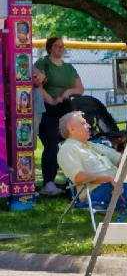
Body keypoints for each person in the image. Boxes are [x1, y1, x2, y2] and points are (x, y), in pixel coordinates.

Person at [56, 111, 127, 209]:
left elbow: (122, 160)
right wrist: (108, 178)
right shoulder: (67, 149)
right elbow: (78, 177)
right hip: (98, 191)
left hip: (117, 185)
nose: (89, 126)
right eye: (83, 123)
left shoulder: (94, 146)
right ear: (71, 129)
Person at [33, 36, 84, 195]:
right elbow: (36, 83)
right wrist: (51, 100)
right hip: (47, 109)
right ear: (49, 48)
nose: (60, 49)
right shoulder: (42, 63)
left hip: (66, 109)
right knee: (51, 144)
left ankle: (74, 181)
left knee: (71, 145)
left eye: (62, 46)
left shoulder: (69, 67)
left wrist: (67, 92)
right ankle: (48, 183)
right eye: (57, 46)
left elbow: (79, 89)